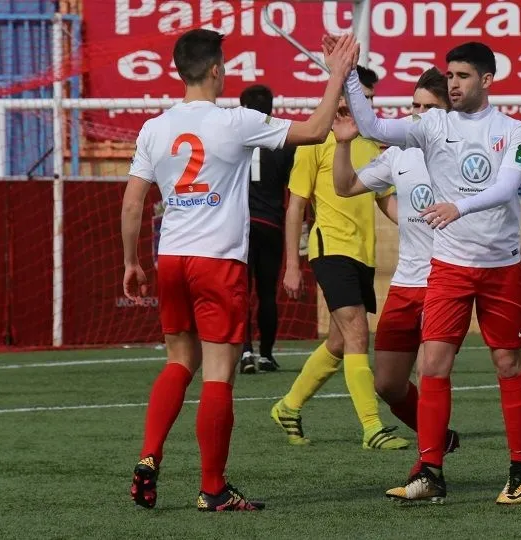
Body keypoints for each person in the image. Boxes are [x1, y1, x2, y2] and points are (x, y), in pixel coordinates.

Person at [121, 29, 359, 511]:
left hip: (172, 259)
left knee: (177, 361)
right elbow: (315, 130)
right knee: (217, 376)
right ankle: (212, 488)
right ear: (214, 69)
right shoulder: (235, 121)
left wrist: (131, 261)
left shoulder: (154, 128)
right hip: (218, 262)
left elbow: (131, 204)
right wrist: (336, 75)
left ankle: (149, 458)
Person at [333, 36, 521, 504]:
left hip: (501, 267)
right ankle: (430, 471)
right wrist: (348, 71)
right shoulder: (431, 125)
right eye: (449, 75)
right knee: (432, 364)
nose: (452, 83)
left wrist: (460, 206)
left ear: (486, 80)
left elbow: (508, 185)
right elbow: (369, 124)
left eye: (462, 76)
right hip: (448, 267)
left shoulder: (515, 130)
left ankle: (518, 469)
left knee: (508, 363)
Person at [269, 66, 409, 451]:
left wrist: (419, 222)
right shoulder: (316, 139)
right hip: (331, 247)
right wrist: (293, 264)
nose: (370, 104)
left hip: (362, 254)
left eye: (372, 97)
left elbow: (385, 200)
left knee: (337, 341)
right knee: (358, 335)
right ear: (343, 96)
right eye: (363, 96)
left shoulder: (370, 141)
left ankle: (288, 406)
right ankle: (372, 427)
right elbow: (296, 205)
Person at [238, 84, 296, 374]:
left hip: (240, 225)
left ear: (241, 107)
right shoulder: (284, 142)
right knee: (267, 293)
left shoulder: (234, 136)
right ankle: (267, 355)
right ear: (271, 110)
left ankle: (245, 351)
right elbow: (293, 187)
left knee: (240, 291)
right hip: (271, 223)